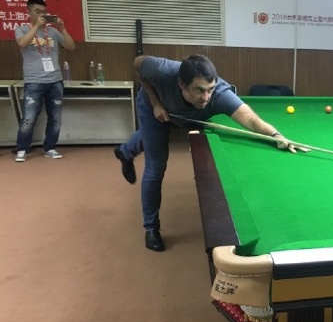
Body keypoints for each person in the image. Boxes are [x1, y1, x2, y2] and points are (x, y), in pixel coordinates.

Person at [115, 54, 304, 252]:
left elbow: (251, 120)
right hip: (154, 109)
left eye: (210, 89)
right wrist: (155, 103)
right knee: (156, 166)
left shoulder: (220, 94)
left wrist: (276, 135)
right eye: (199, 90)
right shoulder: (161, 70)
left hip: (186, 113)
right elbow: (138, 63)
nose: (206, 97)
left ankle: (124, 152)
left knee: (152, 136)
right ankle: (151, 228)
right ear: (182, 84)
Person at [15, 0, 75, 162]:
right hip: (33, 81)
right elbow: (22, 43)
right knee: (29, 118)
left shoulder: (53, 32)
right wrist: (36, 27)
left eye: (44, 12)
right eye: (38, 11)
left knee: (55, 117)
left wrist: (62, 29)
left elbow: (71, 46)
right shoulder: (22, 29)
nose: (42, 15)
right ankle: (22, 149)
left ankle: (50, 148)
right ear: (29, 12)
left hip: (55, 81)